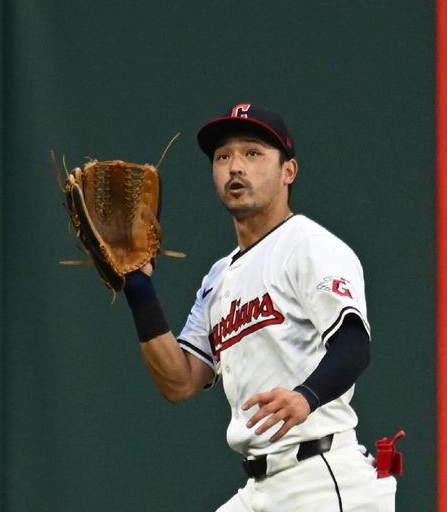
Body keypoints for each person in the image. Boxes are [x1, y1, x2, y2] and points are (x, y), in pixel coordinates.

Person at [122, 103, 378, 511]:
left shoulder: (309, 245)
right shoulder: (218, 278)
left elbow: (353, 344)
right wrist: (138, 289)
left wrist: (305, 397)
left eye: (253, 153)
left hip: (321, 479)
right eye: (223, 156)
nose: (235, 166)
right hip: (261, 490)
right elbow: (180, 381)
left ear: (288, 172)